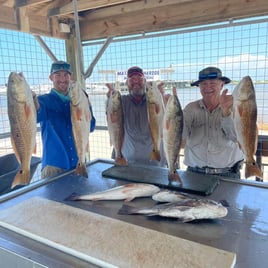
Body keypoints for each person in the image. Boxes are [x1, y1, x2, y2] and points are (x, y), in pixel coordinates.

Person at [33, 60, 96, 179]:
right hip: (54, 166)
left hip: (79, 163)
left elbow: (91, 127)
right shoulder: (43, 101)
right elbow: (35, 116)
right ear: (51, 78)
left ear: (70, 77)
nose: (62, 79)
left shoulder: (79, 100)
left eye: (66, 75)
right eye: (58, 75)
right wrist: (31, 102)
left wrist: (86, 103)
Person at [182, 66, 244, 179]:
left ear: (222, 85)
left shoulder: (236, 106)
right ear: (199, 87)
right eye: (203, 84)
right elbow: (179, 136)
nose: (207, 87)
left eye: (212, 83)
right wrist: (169, 113)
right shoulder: (190, 108)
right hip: (193, 173)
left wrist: (226, 113)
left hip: (228, 174)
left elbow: (238, 138)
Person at [106, 66, 166, 167]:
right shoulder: (122, 101)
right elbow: (112, 118)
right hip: (127, 161)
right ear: (127, 83)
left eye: (139, 79)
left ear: (145, 81)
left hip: (155, 163)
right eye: (132, 79)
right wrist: (109, 99)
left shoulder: (155, 102)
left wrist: (162, 99)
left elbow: (169, 121)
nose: (136, 82)